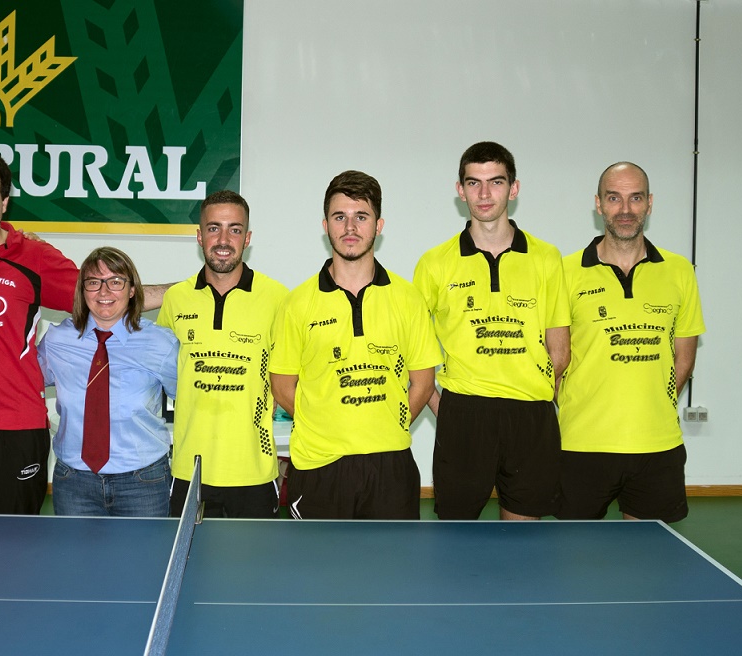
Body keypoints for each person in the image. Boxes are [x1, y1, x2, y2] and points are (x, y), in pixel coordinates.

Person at [0, 149, 167, 515]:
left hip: (13, 427)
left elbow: (105, 295)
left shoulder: (34, 257)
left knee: (15, 549)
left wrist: (199, 287)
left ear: (5, 202)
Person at [413, 141, 570, 520]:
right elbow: (411, 348)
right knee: (457, 535)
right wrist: (444, 407)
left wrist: (534, 394)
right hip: (464, 414)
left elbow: (560, 347)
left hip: (531, 414)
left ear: (513, 189)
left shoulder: (546, 257)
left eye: (496, 182)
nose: (484, 194)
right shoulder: (435, 263)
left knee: (523, 536)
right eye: (474, 183)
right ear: (460, 189)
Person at [270, 171, 441, 520]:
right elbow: (282, 385)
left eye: (361, 217)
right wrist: (329, 422)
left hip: (390, 464)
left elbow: (423, 382)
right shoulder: (297, 303)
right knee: (319, 572)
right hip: (320, 466)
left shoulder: (408, 298)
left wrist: (385, 423)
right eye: (340, 217)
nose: (350, 227)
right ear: (325, 225)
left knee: (390, 571)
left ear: (378, 225)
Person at [557, 162, 704, 522]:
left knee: (648, 567)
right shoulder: (564, 271)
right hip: (581, 445)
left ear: (649, 203)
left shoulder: (680, 270)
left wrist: (655, 404)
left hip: (658, 446)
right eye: (614, 198)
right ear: (599, 204)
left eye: (635, 198)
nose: (625, 209)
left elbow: (683, 358)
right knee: (576, 563)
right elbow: (554, 357)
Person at [158, 190, 288, 517]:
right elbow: (158, 373)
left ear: (248, 238)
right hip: (189, 469)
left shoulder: (277, 298)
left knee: (255, 569)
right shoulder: (176, 299)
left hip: (254, 471)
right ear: (199, 236)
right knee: (189, 566)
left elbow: (290, 376)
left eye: (235, 229)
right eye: (214, 228)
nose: (224, 239)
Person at [37, 247, 179, 516]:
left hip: (143, 482)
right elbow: (24, 383)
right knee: (76, 560)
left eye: (115, 282)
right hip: (74, 482)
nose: (104, 292)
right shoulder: (58, 340)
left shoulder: (161, 343)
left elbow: (188, 398)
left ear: (132, 290)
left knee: (144, 559)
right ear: (82, 291)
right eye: (93, 282)